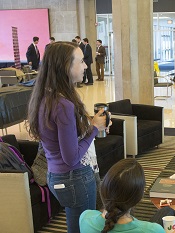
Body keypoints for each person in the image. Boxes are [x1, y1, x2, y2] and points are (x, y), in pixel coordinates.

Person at [26, 41, 109, 233]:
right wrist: (94, 129)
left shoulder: (46, 97)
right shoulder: (64, 104)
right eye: (81, 61)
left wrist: (89, 124)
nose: (86, 65)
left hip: (55, 175)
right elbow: (71, 157)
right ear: (65, 66)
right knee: (83, 228)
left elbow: (60, 137)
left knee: (77, 225)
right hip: (74, 178)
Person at [79, 159, 175, 233]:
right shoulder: (153, 230)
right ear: (139, 197)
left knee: (167, 211)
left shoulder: (85, 218)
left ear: (103, 189)